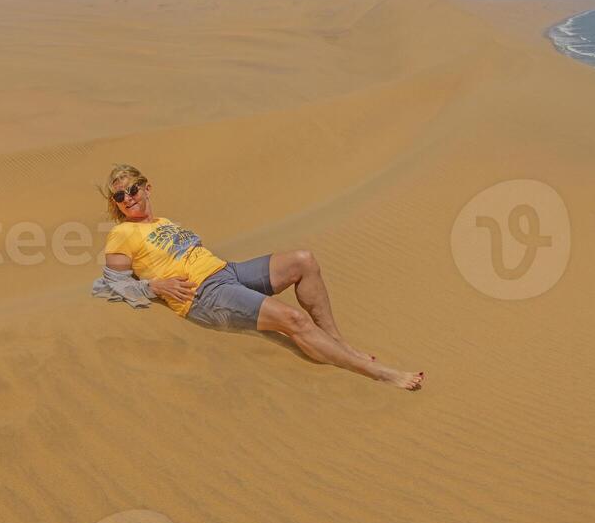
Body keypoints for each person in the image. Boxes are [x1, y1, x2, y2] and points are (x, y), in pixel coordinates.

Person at [98, 165, 424, 390]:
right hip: (205, 296)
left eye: (132, 190)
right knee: (293, 320)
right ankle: (378, 373)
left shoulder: (163, 222)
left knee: (303, 261)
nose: (128, 198)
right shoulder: (122, 234)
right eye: (120, 196)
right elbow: (113, 285)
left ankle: (337, 343)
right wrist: (155, 286)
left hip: (227, 271)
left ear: (147, 187)